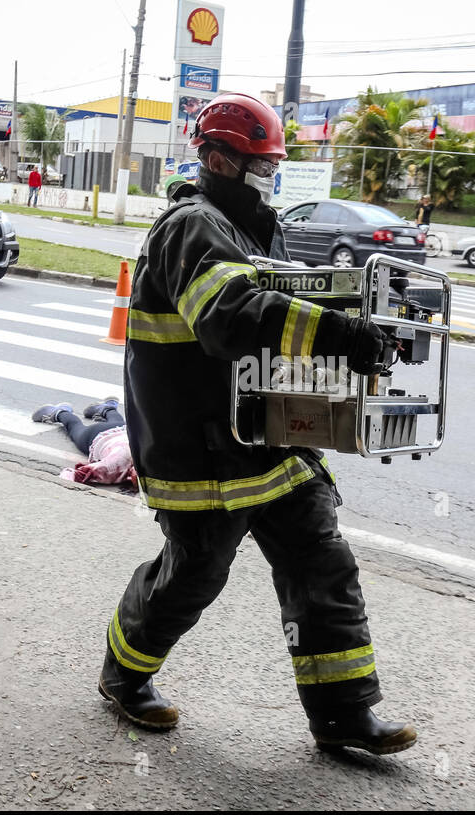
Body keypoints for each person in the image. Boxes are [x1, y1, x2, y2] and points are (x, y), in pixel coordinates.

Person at [98, 91, 415, 756]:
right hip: (200, 454)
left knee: (321, 564)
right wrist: (338, 334)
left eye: (273, 167)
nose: (267, 180)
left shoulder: (253, 227)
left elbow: (291, 301)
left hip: (266, 439)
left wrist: (369, 321)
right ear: (215, 158)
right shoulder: (191, 227)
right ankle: (123, 676)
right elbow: (232, 316)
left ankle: (343, 714)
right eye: (257, 167)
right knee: (194, 575)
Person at [33, 397, 135, 485]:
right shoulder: (116, 464)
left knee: (118, 422)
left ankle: (108, 408)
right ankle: (60, 412)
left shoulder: (144, 458)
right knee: (75, 428)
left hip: (124, 430)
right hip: (98, 435)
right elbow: (74, 474)